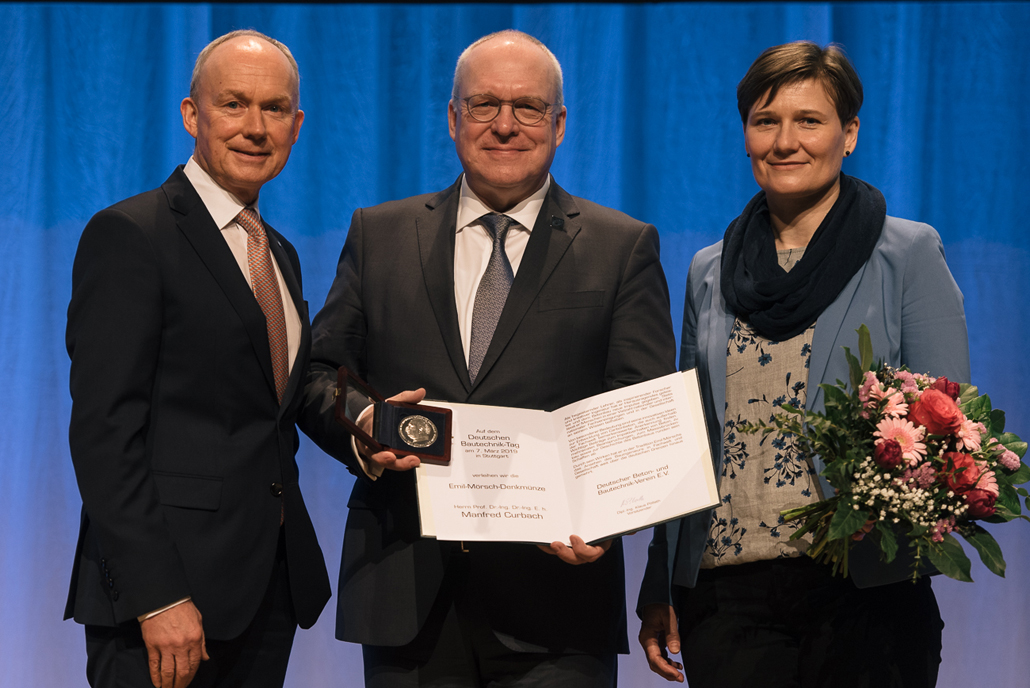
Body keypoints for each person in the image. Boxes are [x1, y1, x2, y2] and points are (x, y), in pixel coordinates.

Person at [300, 29, 676, 687]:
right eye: (483, 105)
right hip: (405, 595)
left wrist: (606, 513)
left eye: (528, 107)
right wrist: (362, 423)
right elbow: (320, 374)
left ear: (559, 124)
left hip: (557, 602)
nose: (505, 125)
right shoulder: (378, 234)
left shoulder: (622, 248)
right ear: (453, 119)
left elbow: (639, 408)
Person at [637, 41, 969, 688]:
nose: (785, 141)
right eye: (766, 122)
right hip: (725, 599)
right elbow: (689, 440)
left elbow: (945, 429)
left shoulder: (906, 253)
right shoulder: (709, 270)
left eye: (809, 121)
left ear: (849, 134)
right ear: (746, 137)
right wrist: (661, 582)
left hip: (864, 592)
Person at [65, 30, 330, 688]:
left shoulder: (278, 253)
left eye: (274, 109)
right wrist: (158, 595)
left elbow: (273, 408)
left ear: (296, 126)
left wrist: (372, 430)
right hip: (166, 602)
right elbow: (105, 434)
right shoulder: (131, 235)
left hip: (264, 592)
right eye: (234, 103)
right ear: (193, 114)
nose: (255, 126)